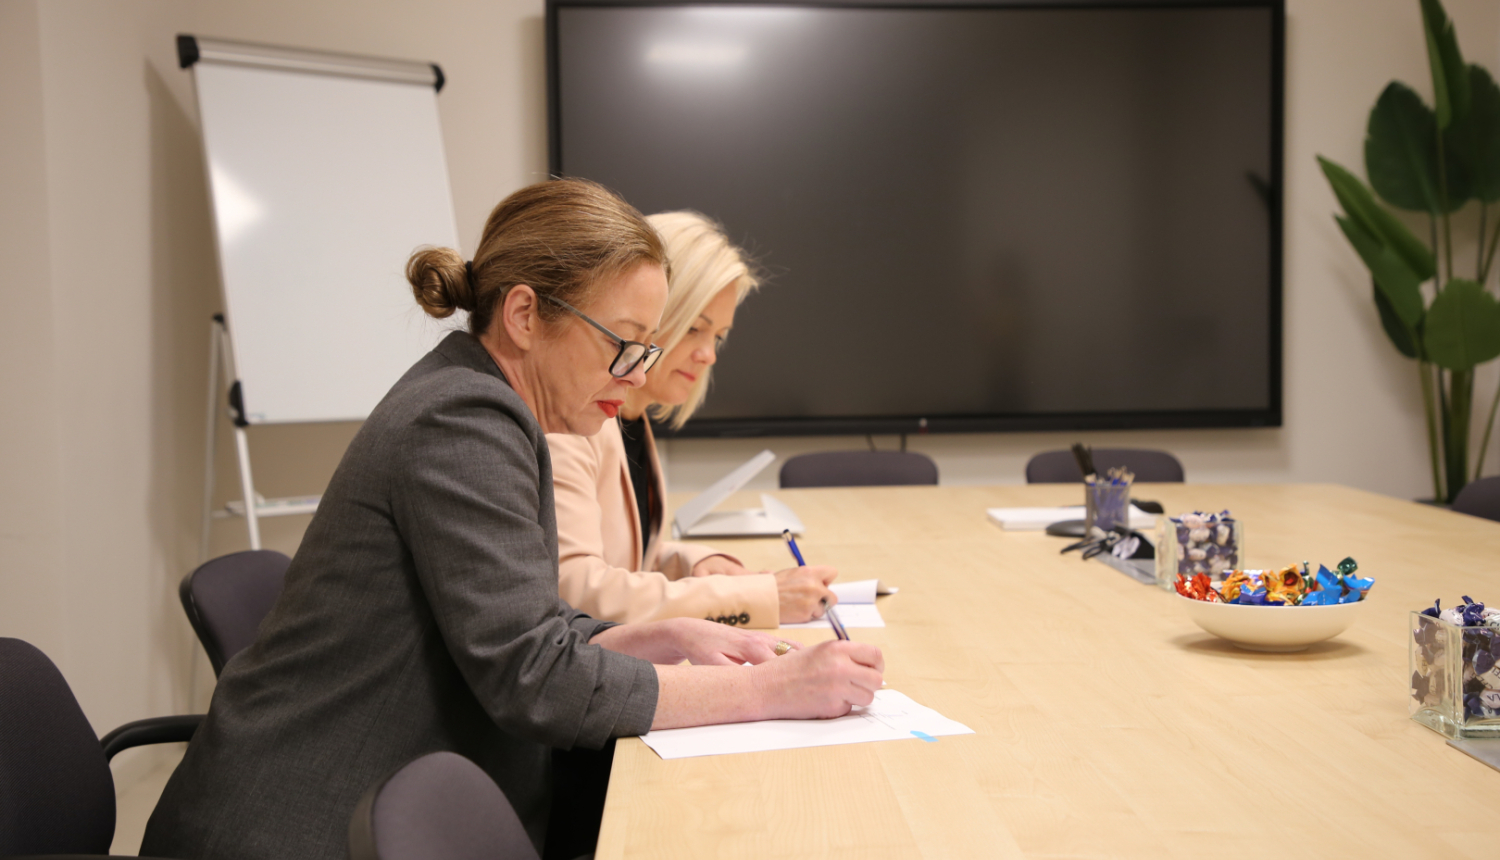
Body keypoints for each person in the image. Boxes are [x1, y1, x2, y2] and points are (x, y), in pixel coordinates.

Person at [139, 179, 883, 860]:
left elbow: (521, 623)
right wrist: (769, 693)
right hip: (295, 823)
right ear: (525, 315)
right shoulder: (462, 421)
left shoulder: (491, 406)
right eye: (623, 344)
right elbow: (535, 678)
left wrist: (657, 633)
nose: (634, 375)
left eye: (645, 349)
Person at [549, 211, 837, 628]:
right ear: (646, 318)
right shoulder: (570, 423)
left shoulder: (631, 419)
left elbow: (629, 560)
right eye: (693, 329)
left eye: (717, 336)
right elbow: (578, 589)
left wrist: (700, 561)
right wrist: (759, 598)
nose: (709, 355)